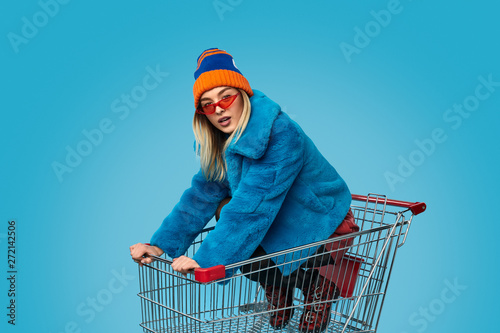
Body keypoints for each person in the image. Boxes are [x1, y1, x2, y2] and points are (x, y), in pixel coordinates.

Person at [130, 48, 353, 332]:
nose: (219, 109)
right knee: (225, 212)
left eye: (226, 97)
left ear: (243, 94)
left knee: (236, 224)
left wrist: (206, 261)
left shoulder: (281, 134)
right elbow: (200, 196)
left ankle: (319, 286)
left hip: (322, 219)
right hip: (279, 215)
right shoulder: (226, 142)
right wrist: (159, 245)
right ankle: (278, 285)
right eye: (207, 105)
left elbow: (253, 208)